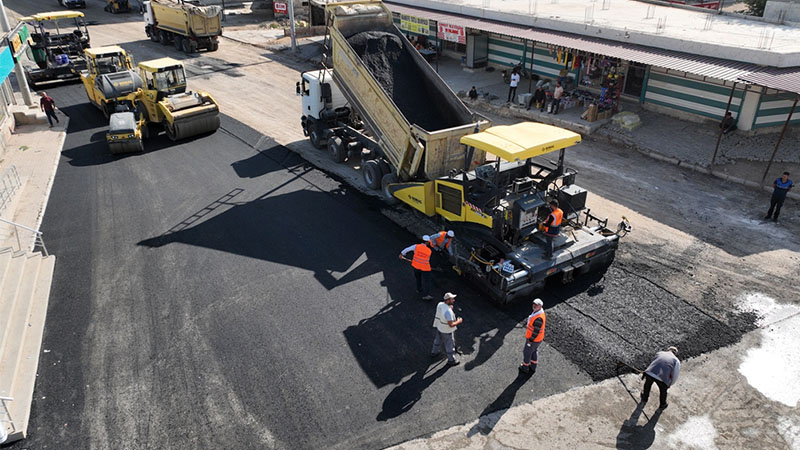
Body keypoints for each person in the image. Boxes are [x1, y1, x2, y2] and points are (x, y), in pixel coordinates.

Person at [431, 292, 463, 366]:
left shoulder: (440, 304)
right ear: (448, 300)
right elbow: (451, 324)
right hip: (446, 331)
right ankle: (451, 359)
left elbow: (442, 311)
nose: (454, 300)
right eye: (452, 299)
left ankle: (434, 352)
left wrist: (449, 308)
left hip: (440, 327)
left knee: (437, 340)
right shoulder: (448, 312)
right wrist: (458, 321)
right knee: (449, 344)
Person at [399, 235, 434, 300]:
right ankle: (426, 295)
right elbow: (427, 260)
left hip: (416, 266)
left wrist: (402, 254)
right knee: (427, 281)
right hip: (425, 268)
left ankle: (419, 289)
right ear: (427, 242)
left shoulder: (416, 246)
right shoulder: (429, 251)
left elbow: (406, 249)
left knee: (418, 278)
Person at [519, 298, 546, 374]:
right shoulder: (539, 313)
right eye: (533, 304)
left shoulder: (539, 318)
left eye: (536, 305)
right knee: (534, 351)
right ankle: (533, 367)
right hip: (538, 339)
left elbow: (536, 331)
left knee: (527, 353)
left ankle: (525, 368)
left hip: (533, 340)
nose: (534, 306)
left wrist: (530, 340)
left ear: (540, 306)